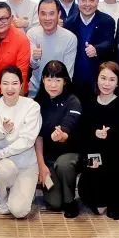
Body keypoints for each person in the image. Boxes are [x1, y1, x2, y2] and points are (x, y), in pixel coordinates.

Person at [0, 66, 43, 219]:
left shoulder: (32, 106)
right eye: (5, 83)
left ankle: (19, 188)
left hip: (26, 164)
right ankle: (2, 196)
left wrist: (0, 154)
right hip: (2, 164)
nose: (10, 88)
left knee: (19, 211)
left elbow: (27, 140)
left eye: (15, 83)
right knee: (5, 171)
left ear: (21, 85)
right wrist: (3, 129)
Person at [76, 62, 119, 219]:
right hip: (93, 152)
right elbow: (83, 131)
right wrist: (94, 133)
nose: (107, 83)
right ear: (97, 79)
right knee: (94, 202)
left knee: (115, 203)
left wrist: (108, 134)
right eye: (103, 78)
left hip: (116, 155)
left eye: (112, 79)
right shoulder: (88, 102)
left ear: (118, 82)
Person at [32, 61, 82, 218]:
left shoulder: (73, 101)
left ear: (65, 81)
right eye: (49, 79)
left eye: (58, 80)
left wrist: (61, 136)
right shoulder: (37, 103)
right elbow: (38, 136)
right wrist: (41, 165)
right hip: (48, 159)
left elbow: (68, 125)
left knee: (64, 164)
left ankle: (70, 201)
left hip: (69, 155)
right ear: (43, 80)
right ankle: (60, 192)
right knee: (54, 203)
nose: (53, 85)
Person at [64, 0, 116, 100]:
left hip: (99, 81)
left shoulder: (107, 21)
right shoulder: (70, 23)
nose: (87, 4)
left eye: (92, 0)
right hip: (76, 81)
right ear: (78, 0)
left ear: (97, 1)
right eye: (83, 0)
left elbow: (110, 42)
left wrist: (97, 49)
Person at [27, 0, 77, 97]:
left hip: (58, 91)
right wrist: (35, 58)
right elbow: (32, 65)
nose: (47, 18)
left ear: (59, 14)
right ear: (38, 15)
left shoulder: (70, 38)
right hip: (35, 90)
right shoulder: (32, 34)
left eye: (51, 14)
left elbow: (68, 74)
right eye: (43, 14)